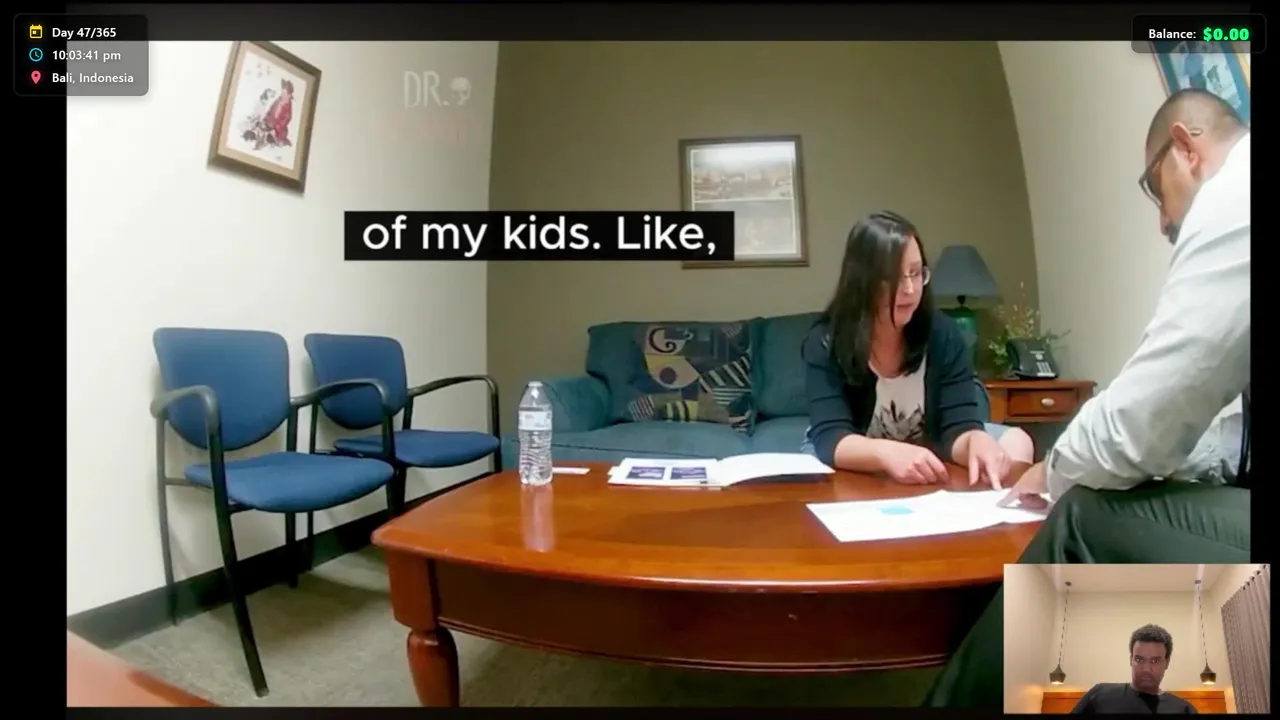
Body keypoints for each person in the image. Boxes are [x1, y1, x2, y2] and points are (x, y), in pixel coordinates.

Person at [922, 88, 1250, 709]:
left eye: (1154, 190)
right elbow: (1215, 431)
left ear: (1186, 148)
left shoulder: (1238, 195)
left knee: (1080, 517)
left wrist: (1052, 469)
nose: (1162, 221)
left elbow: (1146, 416)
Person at [801, 210, 1034, 489]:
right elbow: (832, 438)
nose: (910, 289)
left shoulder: (943, 333)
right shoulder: (827, 341)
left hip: (930, 447)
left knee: (1016, 441)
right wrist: (887, 453)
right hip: (857, 453)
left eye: (916, 273)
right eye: (894, 277)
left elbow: (956, 427)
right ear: (862, 281)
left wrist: (975, 439)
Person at [1070, 625, 1197, 714]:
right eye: (1140, 659)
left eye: (1155, 661)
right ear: (1131, 660)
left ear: (1167, 663)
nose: (1146, 668)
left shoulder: (1183, 709)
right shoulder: (1100, 694)